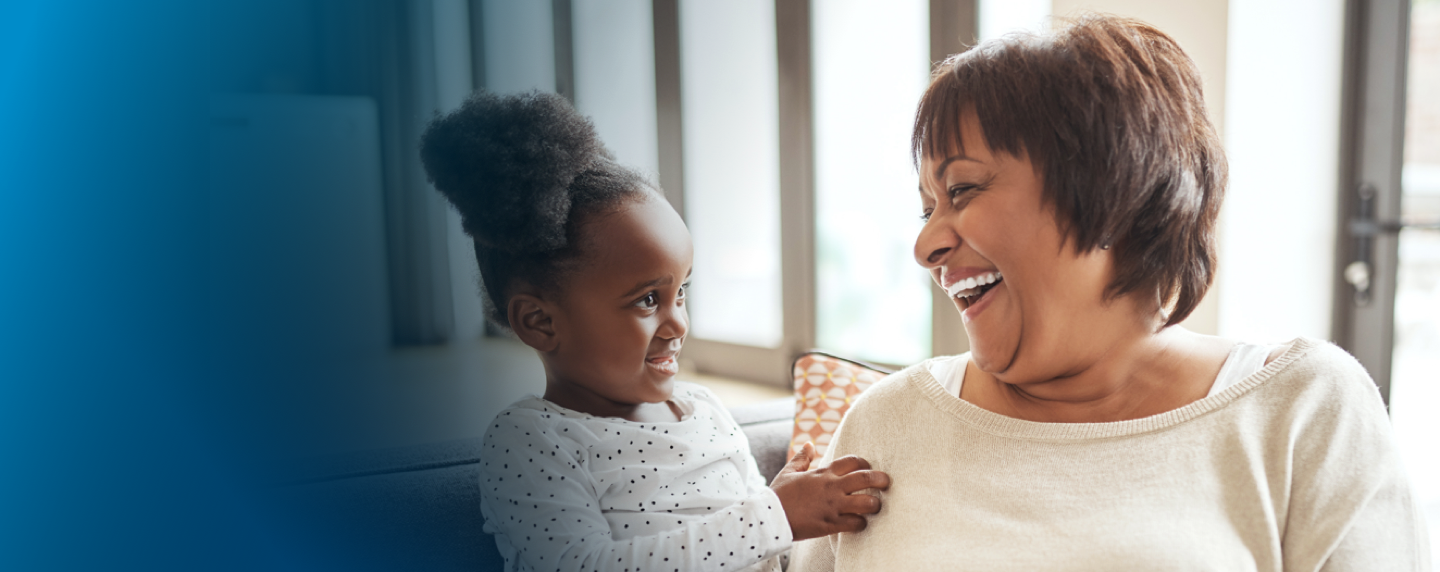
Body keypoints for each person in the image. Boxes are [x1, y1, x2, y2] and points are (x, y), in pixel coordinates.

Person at [790, 14, 1431, 570]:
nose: (925, 245)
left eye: (960, 191)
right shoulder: (885, 420)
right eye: (926, 207)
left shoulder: (1301, 408)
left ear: (1108, 190)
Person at [419, 91, 891, 572]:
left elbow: (762, 548)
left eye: (681, 292)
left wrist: (792, 511)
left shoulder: (706, 411)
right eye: (648, 300)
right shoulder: (532, 441)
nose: (679, 323)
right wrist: (775, 515)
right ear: (540, 322)